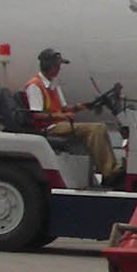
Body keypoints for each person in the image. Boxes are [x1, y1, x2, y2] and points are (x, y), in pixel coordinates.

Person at [23, 48, 118, 183]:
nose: (59, 69)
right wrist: (62, 116)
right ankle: (108, 172)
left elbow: (63, 108)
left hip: (58, 123)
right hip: (49, 127)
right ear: (47, 66)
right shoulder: (35, 86)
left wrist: (79, 107)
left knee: (100, 128)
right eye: (56, 66)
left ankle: (111, 167)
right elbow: (36, 115)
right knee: (96, 129)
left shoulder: (54, 83)